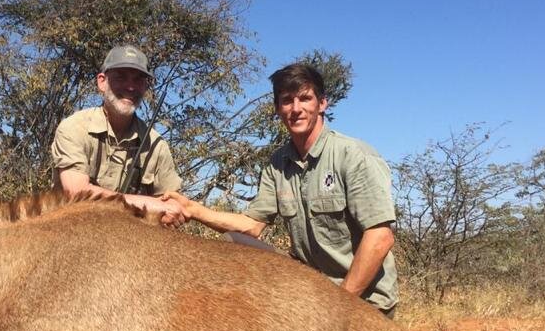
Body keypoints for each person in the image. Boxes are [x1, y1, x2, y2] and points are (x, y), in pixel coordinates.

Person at [163, 61, 398, 315]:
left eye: (305, 98)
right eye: (287, 100)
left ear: (322, 104)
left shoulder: (353, 155)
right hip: (313, 293)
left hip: (360, 301)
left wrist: (339, 306)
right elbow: (251, 225)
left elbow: (380, 238)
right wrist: (192, 209)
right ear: (277, 108)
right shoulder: (278, 163)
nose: (296, 109)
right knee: (234, 243)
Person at [52, 44, 185, 221]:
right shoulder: (74, 127)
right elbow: (77, 193)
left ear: (145, 87)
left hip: (131, 240)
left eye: (138, 80)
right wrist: (147, 205)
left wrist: (171, 212)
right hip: (72, 229)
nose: (130, 87)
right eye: (121, 77)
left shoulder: (156, 144)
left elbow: (174, 205)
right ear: (101, 82)